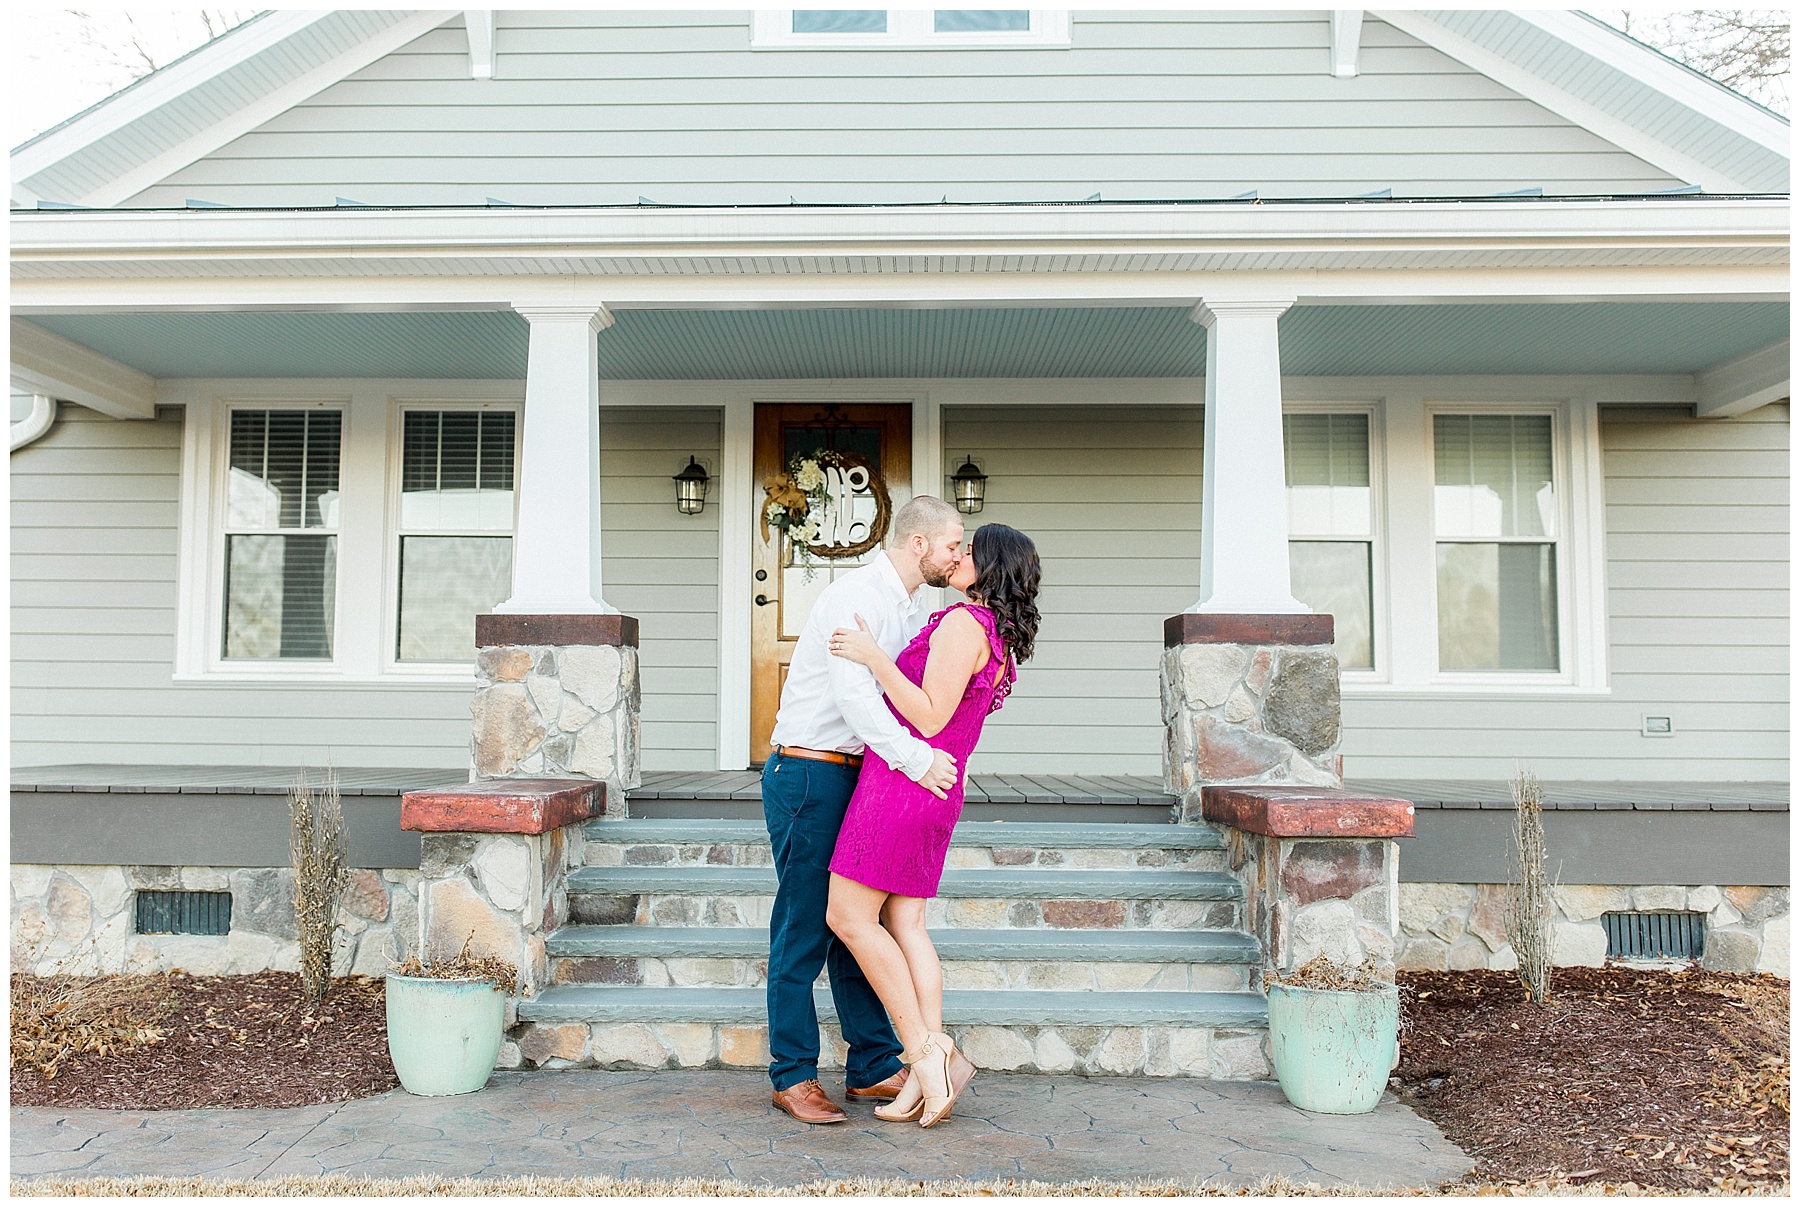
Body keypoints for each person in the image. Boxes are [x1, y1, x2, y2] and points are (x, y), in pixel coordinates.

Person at [824, 522, 1042, 1128]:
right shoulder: (996, 634)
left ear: (989, 566)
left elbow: (927, 712)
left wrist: (871, 657)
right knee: (906, 922)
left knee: (846, 916)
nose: (959, 555)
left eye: (970, 551)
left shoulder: (963, 624)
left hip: (907, 784)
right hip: (933, 788)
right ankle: (935, 1064)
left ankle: (924, 1054)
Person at [762, 495, 965, 1125]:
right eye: (954, 545)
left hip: (861, 780)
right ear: (919, 545)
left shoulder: (910, 607)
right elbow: (858, 702)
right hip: (810, 773)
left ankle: (874, 1064)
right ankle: (792, 1073)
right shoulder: (857, 598)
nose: (961, 556)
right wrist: (917, 762)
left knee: (857, 925)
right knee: (804, 927)